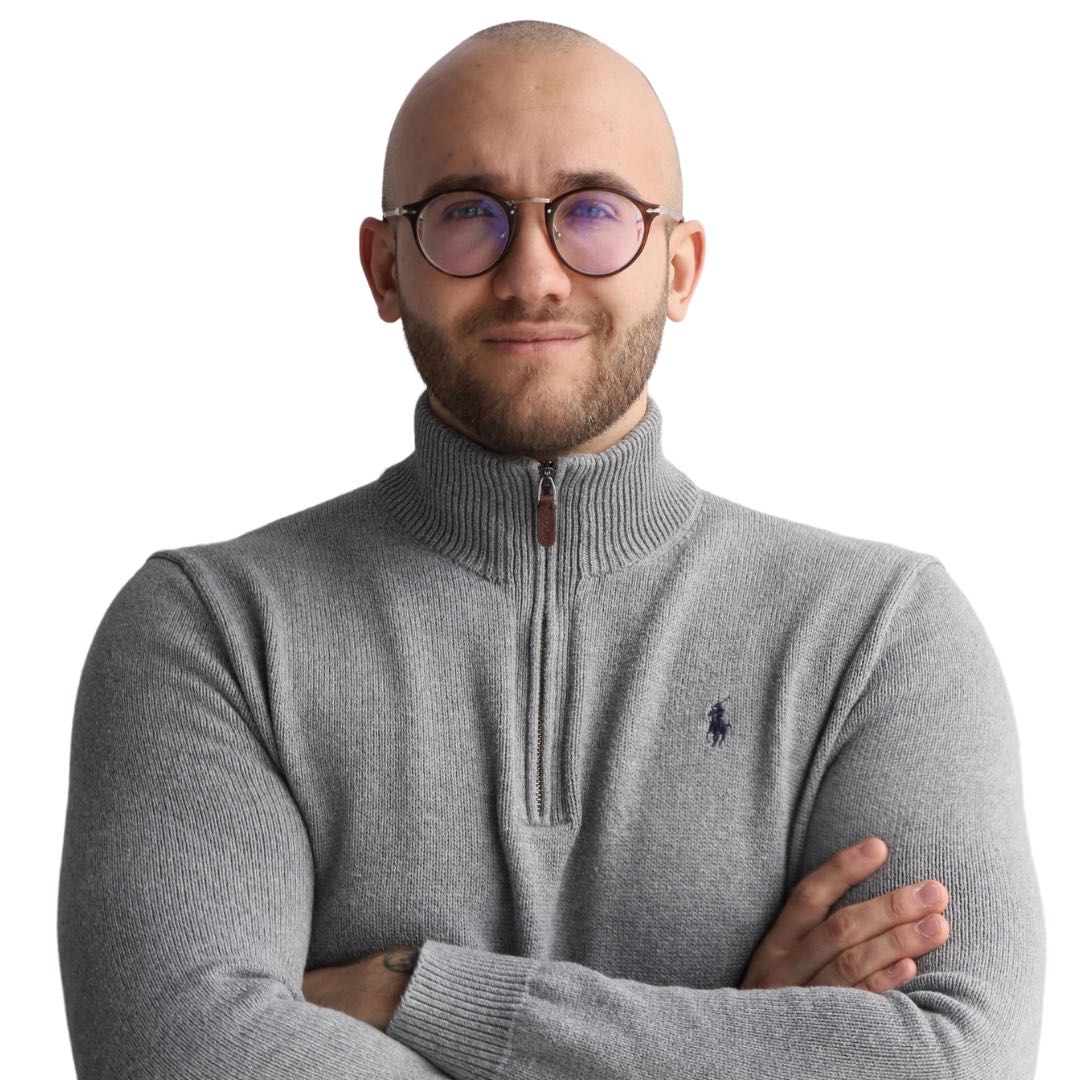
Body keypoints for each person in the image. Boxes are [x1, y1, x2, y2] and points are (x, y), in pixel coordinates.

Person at [57, 19, 1045, 1080]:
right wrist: (746, 1036)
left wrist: (414, 993)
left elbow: (957, 1058)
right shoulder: (210, 632)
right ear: (385, 269)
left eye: (594, 211)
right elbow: (178, 1057)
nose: (533, 275)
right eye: (466, 214)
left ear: (680, 266)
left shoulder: (881, 635)